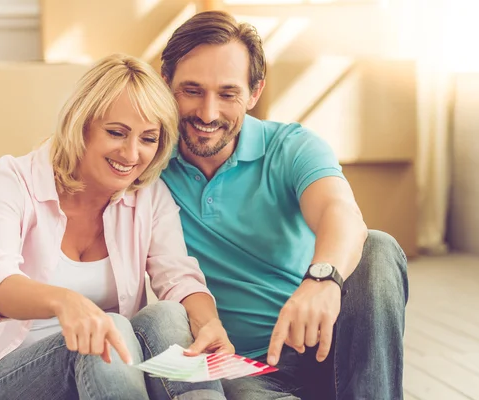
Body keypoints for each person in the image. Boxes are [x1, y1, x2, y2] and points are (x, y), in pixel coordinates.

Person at [0, 54, 232, 400]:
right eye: (116, 133)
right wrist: (64, 302)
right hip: (9, 377)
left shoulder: (149, 196)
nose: (131, 154)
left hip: (107, 377)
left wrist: (208, 323)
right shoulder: (12, 179)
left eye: (148, 138)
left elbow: (178, 275)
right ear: (82, 126)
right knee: (108, 330)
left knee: (169, 315)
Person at [159, 10, 409, 400]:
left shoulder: (291, 146)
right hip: (241, 370)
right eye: (192, 91)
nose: (208, 113)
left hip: (328, 348)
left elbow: (340, 213)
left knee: (377, 248)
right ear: (166, 84)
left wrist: (321, 279)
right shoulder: (145, 162)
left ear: (254, 93)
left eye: (228, 94)